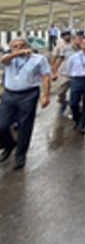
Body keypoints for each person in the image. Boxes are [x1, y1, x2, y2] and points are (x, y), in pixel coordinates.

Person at [0, 38, 51, 170]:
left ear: (28, 46)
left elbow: (46, 76)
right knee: (2, 124)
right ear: (12, 48)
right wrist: (17, 54)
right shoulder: (9, 58)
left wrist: (46, 95)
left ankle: (20, 155)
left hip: (28, 94)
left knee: (24, 125)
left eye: (22, 45)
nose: (19, 48)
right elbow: (3, 61)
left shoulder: (39, 59)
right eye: (15, 46)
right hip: (9, 94)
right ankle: (9, 144)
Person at [51, 31, 80, 115]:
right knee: (60, 91)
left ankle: (74, 107)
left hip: (77, 75)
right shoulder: (64, 48)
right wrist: (54, 72)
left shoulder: (84, 50)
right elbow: (58, 59)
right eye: (77, 39)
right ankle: (63, 103)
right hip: (65, 73)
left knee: (76, 93)